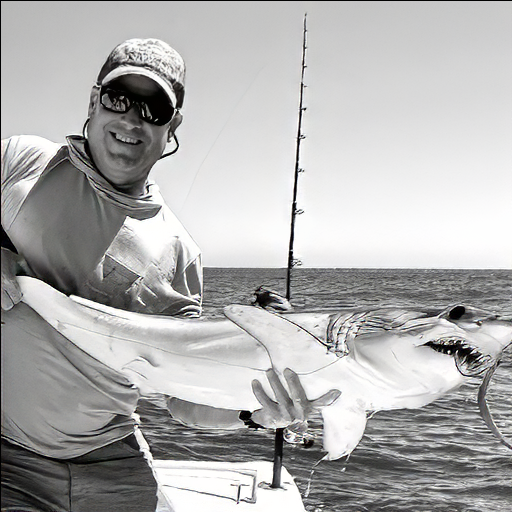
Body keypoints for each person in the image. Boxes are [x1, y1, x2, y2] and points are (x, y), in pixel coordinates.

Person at [1, 38, 339, 512]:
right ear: (94, 101)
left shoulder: (179, 254)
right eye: (120, 99)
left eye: (153, 107)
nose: (132, 120)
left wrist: (257, 414)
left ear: (172, 124)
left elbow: (182, 400)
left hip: (111, 464)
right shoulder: (22, 163)